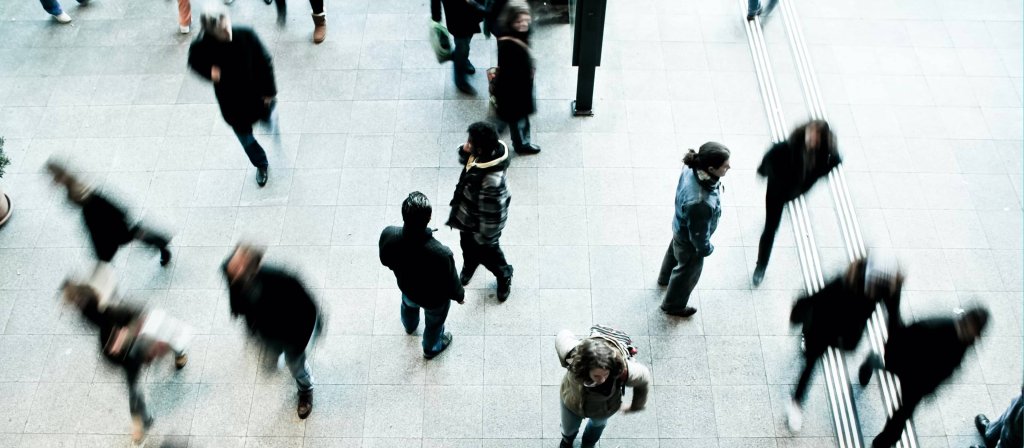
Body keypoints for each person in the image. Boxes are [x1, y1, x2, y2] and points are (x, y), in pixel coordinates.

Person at [786, 253, 903, 432]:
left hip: (849, 333)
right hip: (824, 325)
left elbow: (894, 319)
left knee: (845, 348)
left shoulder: (887, 288)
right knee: (810, 363)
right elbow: (817, 299)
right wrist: (799, 314)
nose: (874, 290)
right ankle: (796, 403)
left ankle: (870, 362)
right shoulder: (843, 283)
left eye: (878, 286)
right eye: (872, 284)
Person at [61, 280, 189, 443]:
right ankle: (179, 355)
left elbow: (137, 318)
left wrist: (122, 338)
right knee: (159, 345)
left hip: (126, 348)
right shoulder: (106, 312)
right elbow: (138, 317)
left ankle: (140, 421)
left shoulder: (104, 313)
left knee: (134, 384)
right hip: (129, 349)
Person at [860, 306, 990, 448]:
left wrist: (931, 387)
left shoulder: (966, 342)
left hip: (919, 383)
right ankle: (873, 362)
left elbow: (948, 369)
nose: (973, 334)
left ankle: (882, 443)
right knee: (900, 409)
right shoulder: (939, 326)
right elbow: (909, 334)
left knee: (901, 416)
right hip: (909, 365)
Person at [222, 243, 321, 419]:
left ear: (254, 266)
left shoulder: (281, 278)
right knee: (270, 359)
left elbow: (308, 305)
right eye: (233, 265)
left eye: (238, 265)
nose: (233, 269)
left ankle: (305, 389)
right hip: (265, 332)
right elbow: (235, 296)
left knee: (295, 364)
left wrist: (307, 334)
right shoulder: (232, 275)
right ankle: (278, 361)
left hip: (291, 334)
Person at [188, 5, 278, 187]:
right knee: (245, 138)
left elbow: (265, 62)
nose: (227, 31)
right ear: (211, 32)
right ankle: (261, 164)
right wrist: (210, 73)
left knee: (265, 116)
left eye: (226, 24)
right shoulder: (203, 47)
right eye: (221, 30)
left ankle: (267, 121)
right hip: (232, 104)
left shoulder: (245, 35)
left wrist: (269, 92)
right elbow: (194, 62)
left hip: (256, 96)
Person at [752, 120, 841, 287]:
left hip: (796, 191)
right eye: (811, 135)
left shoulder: (825, 154)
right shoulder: (785, 148)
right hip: (776, 193)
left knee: (772, 224)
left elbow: (836, 161)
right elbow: (767, 161)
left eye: (817, 138)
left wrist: (817, 175)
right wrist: (764, 172)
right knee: (770, 228)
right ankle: (761, 266)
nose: (813, 140)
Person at [380, 192, 466, 359]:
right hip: (433, 300)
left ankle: (410, 326)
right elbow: (451, 282)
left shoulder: (389, 235)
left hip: (407, 288)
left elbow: (385, 260)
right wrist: (460, 296)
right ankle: (431, 347)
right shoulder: (440, 254)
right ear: (428, 218)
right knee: (434, 323)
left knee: (408, 306)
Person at [46, 160, 172, 268]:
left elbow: (90, 200)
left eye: (54, 178)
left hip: (100, 216)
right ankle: (159, 243)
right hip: (99, 216)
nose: (54, 182)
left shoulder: (76, 187)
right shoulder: (71, 184)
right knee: (121, 239)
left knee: (121, 239)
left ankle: (160, 242)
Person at [658, 142, 731, 317]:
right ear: (712, 169)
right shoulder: (700, 202)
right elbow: (698, 236)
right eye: (725, 166)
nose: (729, 167)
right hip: (690, 240)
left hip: (680, 226)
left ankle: (664, 279)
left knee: (674, 253)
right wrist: (706, 249)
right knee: (687, 271)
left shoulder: (692, 167)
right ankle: (673, 305)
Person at [447, 122, 514, 301]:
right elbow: (468, 162)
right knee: (466, 246)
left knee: (490, 256)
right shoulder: (482, 155)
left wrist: (483, 239)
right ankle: (470, 263)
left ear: (481, 149)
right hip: (468, 218)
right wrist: (466, 151)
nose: (466, 144)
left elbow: (494, 217)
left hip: (483, 231)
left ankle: (504, 275)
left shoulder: (493, 182)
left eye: (470, 143)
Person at [554, 328, 651, 448]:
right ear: (585, 368)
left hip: (604, 408)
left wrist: (636, 405)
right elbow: (562, 335)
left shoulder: (622, 369)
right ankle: (567, 441)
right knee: (568, 427)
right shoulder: (573, 357)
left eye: (606, 374)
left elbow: (644, 376)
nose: (602, 380)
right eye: (597, 375)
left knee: (597, 426)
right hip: (571, 400)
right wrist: (569, 356)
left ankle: (588, 445)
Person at [492, 1, 541, 155]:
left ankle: (519, 140)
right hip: (513, 89)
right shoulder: (507, 43)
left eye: (526, 20)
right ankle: (521, 145)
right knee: (515, 117)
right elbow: (508, 72)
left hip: (520, 85)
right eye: (519, 21)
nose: (523, 24)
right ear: (511, 21)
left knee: (516, 117)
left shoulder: (520, 32)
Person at [431, 0, 486, 94]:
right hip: (457, 17)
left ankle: (462, 59)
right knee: (462, 45)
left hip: (472, 12)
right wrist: (436, 17)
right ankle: (460, 80)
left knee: (467, 40)